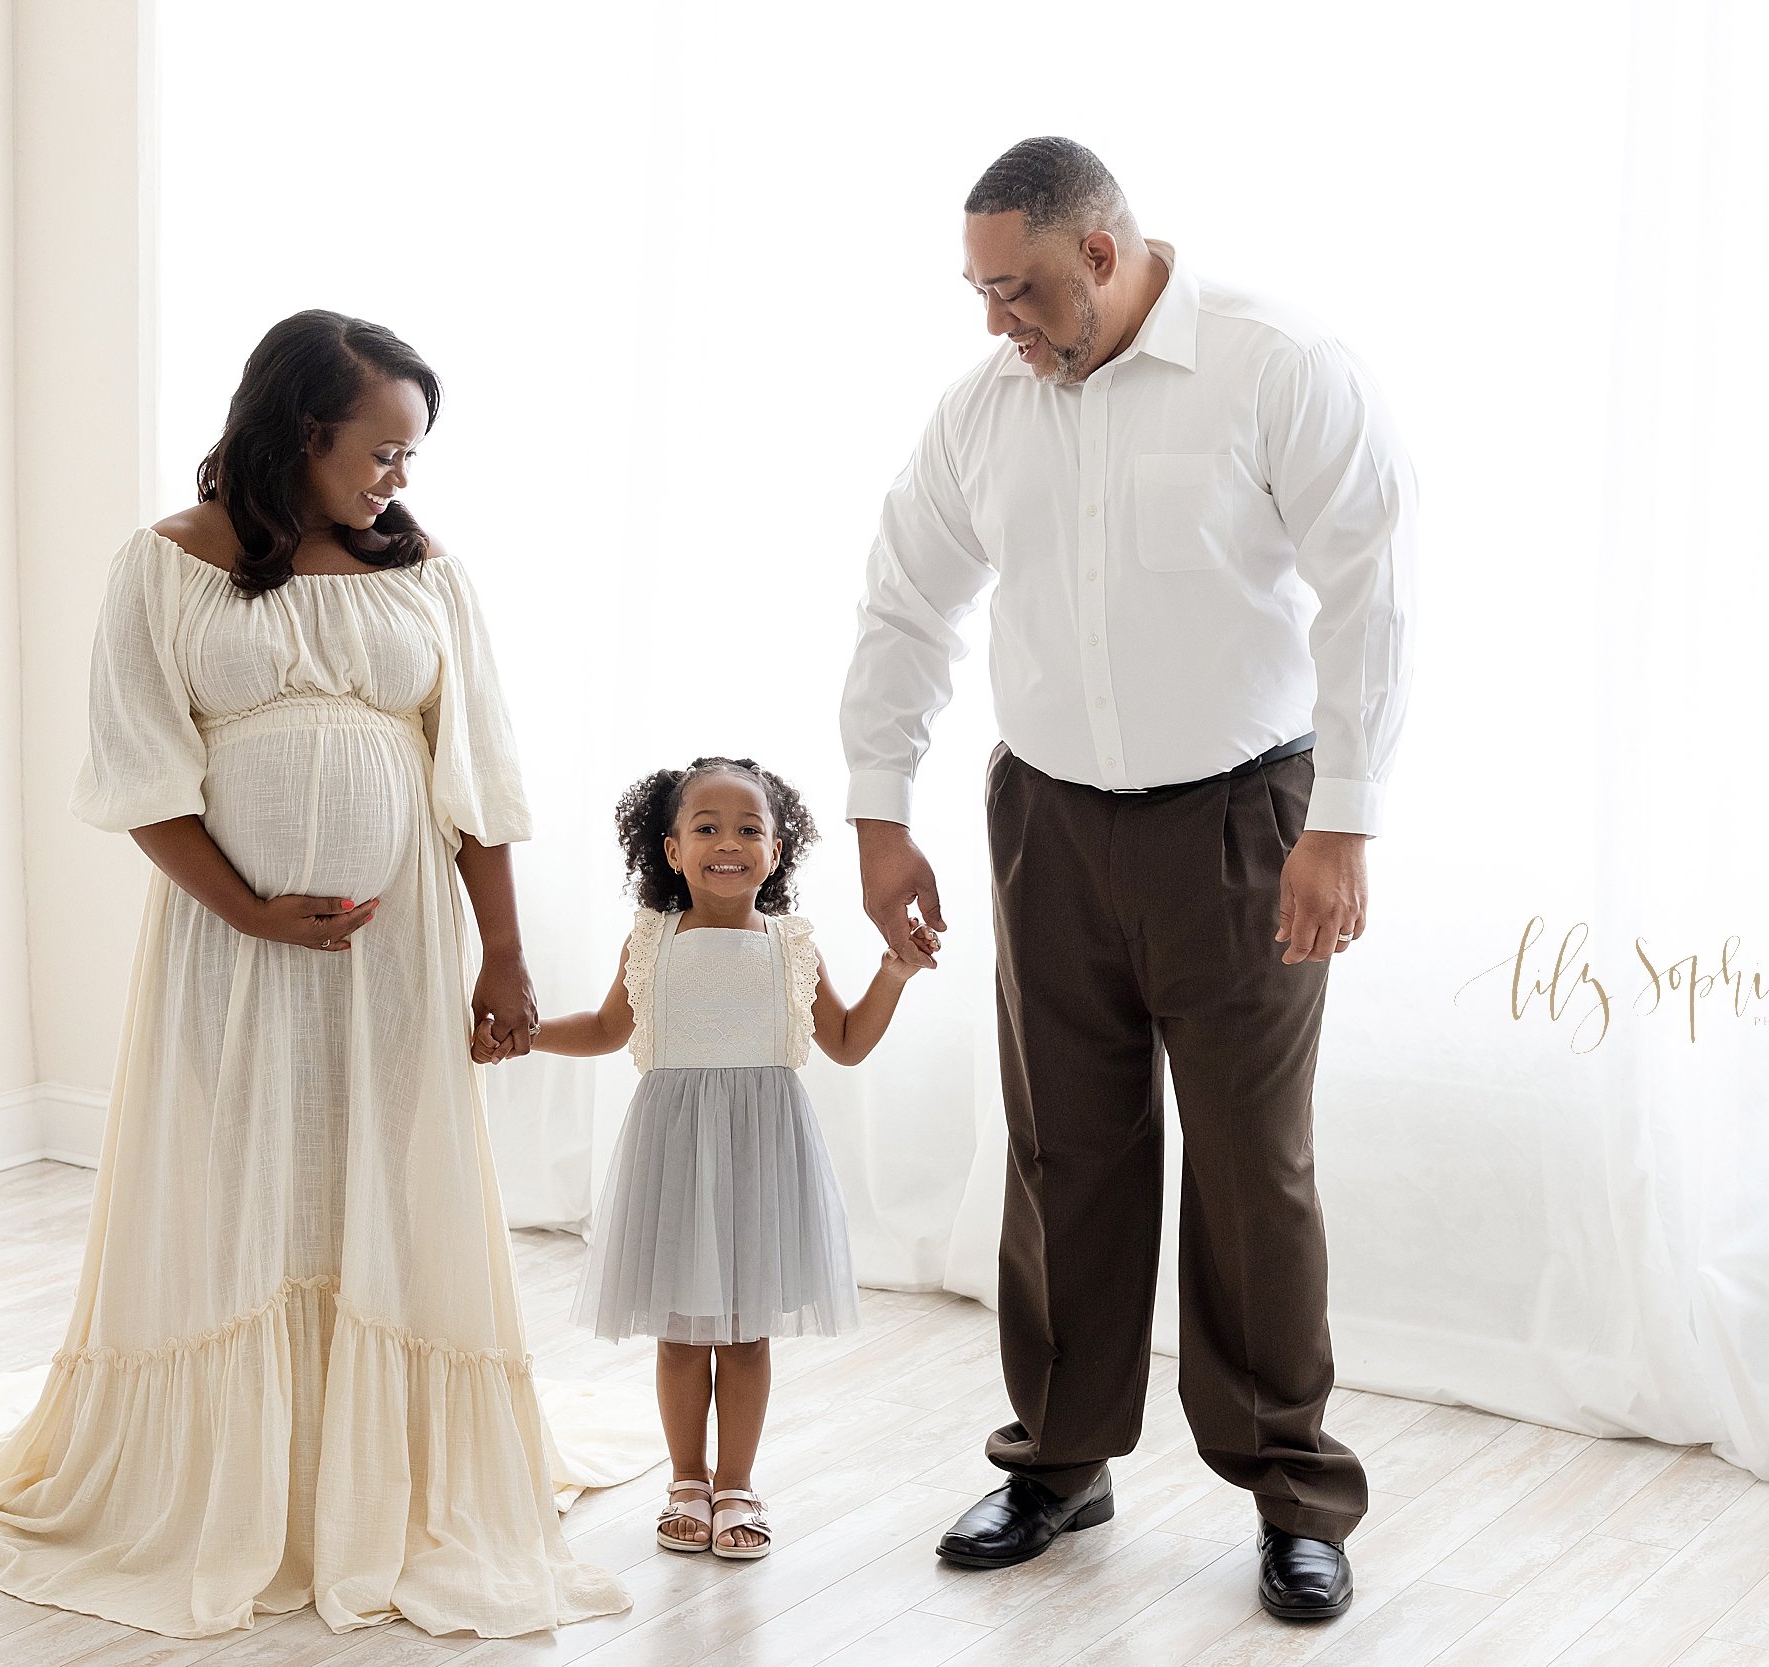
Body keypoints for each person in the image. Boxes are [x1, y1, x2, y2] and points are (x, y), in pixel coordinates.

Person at [0, 310, 647, 1640]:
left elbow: (477, 774)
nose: (400, 476)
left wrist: (508, 954)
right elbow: (137, 772)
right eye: (382, 447)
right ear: (302, 430)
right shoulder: (167, 565)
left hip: (401, 941)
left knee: (392, 1158)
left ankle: (385, 1473)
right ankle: (230, 1474)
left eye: (413, 451)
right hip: (231, 946)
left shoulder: (424, 565)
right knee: (239, 1165)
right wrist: (249, 909)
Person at [838, 138, 1418, 1623]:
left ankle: (1295, 1489)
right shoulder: (986, 409)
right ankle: (1059, 1458)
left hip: (1245, 823)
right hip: (1046, 822)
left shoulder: (1275, 365)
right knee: (1064, 1152)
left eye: (1018, 288)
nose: (995, 323)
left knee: (1250, 1165)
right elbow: (904, 595)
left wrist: (1341, 821)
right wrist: (879, 810)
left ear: (1102, 252)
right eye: (976, 290)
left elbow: (1368, 591)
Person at [493, 757, 935, 1560]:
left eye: (748, 829)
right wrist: (525, 1036)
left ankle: (737, 1482)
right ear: (669, 849)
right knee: (679, 1331)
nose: (728, 842)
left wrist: (893, 973)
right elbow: (603, 1028)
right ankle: (685, 1478)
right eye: (707, 827)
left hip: (762, 1154)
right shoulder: (652, 938)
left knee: (746, 1333)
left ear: (776, 850)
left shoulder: (790, 945)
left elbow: (844, 1042)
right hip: (675, 1154)